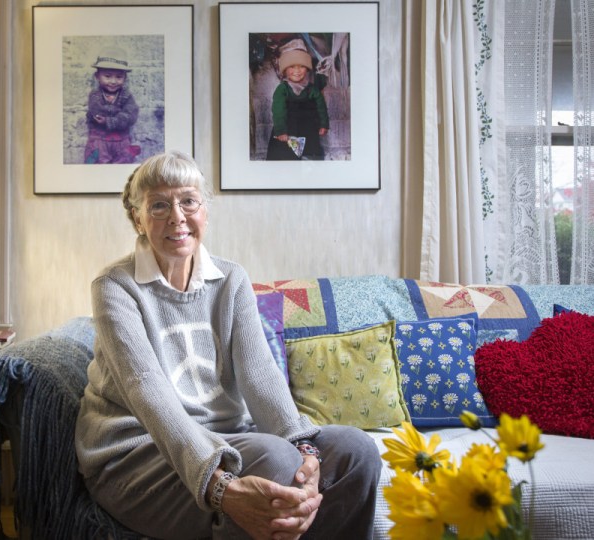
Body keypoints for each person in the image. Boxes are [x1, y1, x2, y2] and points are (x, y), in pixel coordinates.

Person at [75, 150, 381, 539]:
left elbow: (258, 374)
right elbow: (147, 390)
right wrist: (218, 484)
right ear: (137, 218)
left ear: (205, 210)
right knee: (273, 458)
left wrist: (305, 449)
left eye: (188, 200)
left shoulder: (231, 279)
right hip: (137, 453)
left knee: (356, 450)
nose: (177, 216)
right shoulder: (115, 287)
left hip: (225, 437)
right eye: (158, 205)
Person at [266, 39, 329, 161]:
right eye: (292, 67)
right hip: (288, 131)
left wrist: (323, 124)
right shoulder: (282, 89)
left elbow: (321, 108)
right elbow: (278, 111)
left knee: (310, 157)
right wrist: (281, 131)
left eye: (302, 66)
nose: (297, 71)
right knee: (285, 156)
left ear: (307, 69)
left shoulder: (312, 90)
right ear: (284, 70)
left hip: (309, 131)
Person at [84, 46, 140, 164]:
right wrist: (119, 115)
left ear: (125, 78)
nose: (113, 81)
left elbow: (131, 116)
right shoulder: (95, 96)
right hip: (99, 142)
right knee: (98, 168)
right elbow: (97, 113)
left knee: (122, 168)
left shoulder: (127, 96)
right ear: (97, 77)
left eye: (119, 77)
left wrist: (108, 120)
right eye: (107, 76)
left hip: (122, 142)